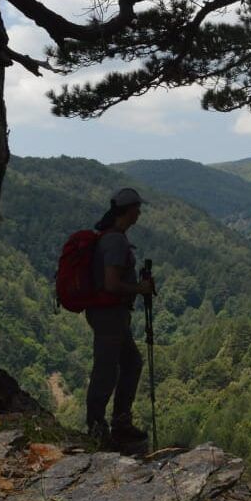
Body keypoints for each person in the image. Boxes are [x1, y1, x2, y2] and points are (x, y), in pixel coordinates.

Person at [85, 187, 156, 445]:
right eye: (138, 208)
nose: (140, 212)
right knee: (107, 369)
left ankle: (118, 422)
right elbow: (111, 283)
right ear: (128, 211)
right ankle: (98, 426)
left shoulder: (110, 236)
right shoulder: (115, 241)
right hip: (109, 315)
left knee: (129, 363)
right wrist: (140, 288)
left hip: (109, 315)